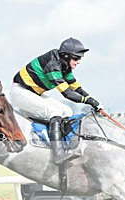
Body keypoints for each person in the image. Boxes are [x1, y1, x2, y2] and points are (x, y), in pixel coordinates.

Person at [9, 37, 103, 165]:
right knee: (54, 111)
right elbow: (67, 93)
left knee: (67, 110)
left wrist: (93, 100)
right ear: (65, 56)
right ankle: (57, 153)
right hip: (20, 92)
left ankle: (64, 145)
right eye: (76, 58)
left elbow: (76, 87)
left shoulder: (65, 66)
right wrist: (87, 101)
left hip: (34, 93)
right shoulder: (52, 64)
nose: (79, 61)